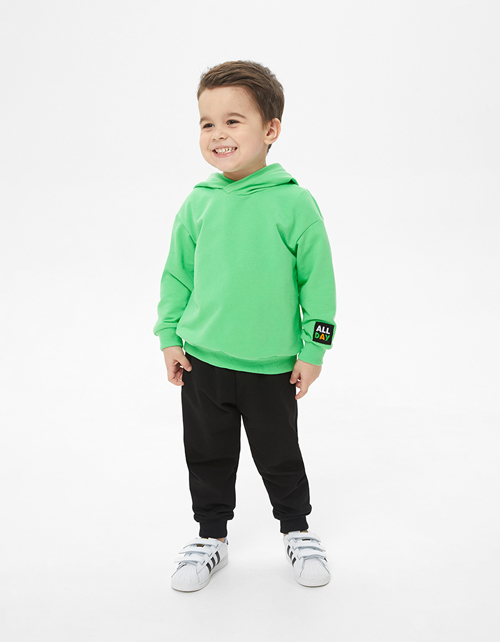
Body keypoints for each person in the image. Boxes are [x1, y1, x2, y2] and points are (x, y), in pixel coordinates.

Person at [153, 60, 337, 591]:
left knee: (279, 456)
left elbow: (319, 288)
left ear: (271, 129)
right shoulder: (198, 203)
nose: (218, 134)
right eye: (207, 123)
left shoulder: (294, 203)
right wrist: (168, 336)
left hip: (270, 366)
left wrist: (314, 351)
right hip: (203, 362)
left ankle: (297, 530)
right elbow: (177, 276)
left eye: (233, 121)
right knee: (207, 455)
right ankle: (211, 537)